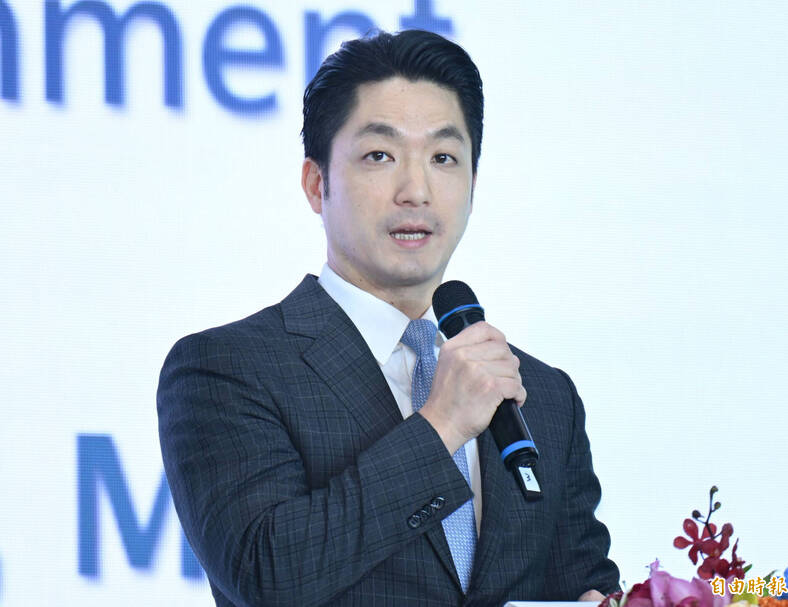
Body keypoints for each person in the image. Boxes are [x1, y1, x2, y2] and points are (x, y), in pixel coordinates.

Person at [157, 29, 619, 606]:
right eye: (380, 155)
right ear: (317, 184)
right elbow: (268, 576)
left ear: (473, 186)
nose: (416, 190)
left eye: (443, 158)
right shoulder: (226, 369)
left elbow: (584, 586)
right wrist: (443, 424)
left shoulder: (543, 397)